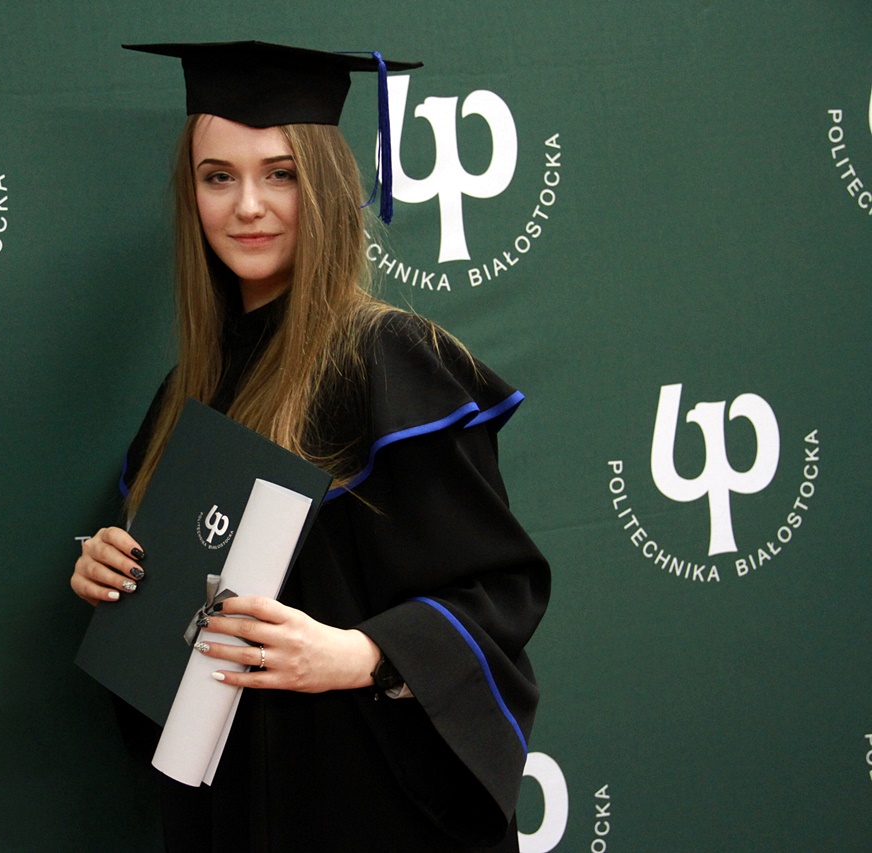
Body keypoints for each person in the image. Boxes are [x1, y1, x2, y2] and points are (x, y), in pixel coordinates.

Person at [71, 41, 550, 852]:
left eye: (280, 173)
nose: (247, 205)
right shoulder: (187, 391)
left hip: (366, 802)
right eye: (217, 176)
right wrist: (115, 577)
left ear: (325, 186)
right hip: (229, 804)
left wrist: (360, 652)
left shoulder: (389, 359)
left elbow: (500, 592)